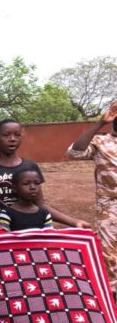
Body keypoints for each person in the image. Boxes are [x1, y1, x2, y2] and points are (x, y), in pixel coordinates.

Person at [0, 166, 53, 323]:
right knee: (12, 316)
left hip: (35, 275)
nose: (32, 187)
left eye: (36, 183)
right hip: (11, 275)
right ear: (14, 188)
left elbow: (50, 242)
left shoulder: (43, 214)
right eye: (27, 183)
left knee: (33, 317)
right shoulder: (6, 213)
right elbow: (1, 242)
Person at [0, 119, 87, 227]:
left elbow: (40, 205)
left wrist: (74, 222)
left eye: (17, 135)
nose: (12, 139)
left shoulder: (30, 167)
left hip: (28, 228)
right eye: (6, 135)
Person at [67, 100, 117, 294]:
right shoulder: (100, 142)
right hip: (110, 210)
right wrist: (100, 123)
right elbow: (74, 152)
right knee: (111, 259)